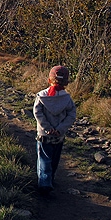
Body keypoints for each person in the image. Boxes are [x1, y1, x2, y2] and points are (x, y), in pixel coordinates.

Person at [33, 65, 76, 194]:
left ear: (49, 80)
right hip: (59, 136)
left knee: (44, 158)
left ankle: (44, 183)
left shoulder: (41, 96)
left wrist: (47, 128)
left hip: (44, 135)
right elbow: (71, 116)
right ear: (66, 83)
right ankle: (50, 179)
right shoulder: (67, 99)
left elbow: (37, 113)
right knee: (55, 158)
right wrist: (60, 129)